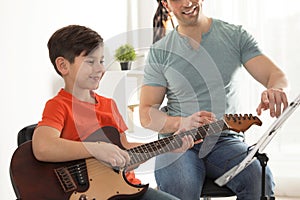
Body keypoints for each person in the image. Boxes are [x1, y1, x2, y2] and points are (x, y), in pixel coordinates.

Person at [139, 0, 289, 200]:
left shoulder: (235, 36)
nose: (186, 2)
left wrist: (275, 89)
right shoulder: (160, 52)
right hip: (177, 141)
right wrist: (181, 122)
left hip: (225, 139)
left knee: (259, 176)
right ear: (166, 4)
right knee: (181, 185)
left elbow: (275, 75)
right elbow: (146, 113)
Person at [32, 24, 194, 200]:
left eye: (101, 61)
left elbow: (126, 153)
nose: (100, 69)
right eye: (90, 62)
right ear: (63, 65)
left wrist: (167, 147)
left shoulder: (109, 105)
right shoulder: (58, 105)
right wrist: (95, 149)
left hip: (128, 188)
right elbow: (42, 146)